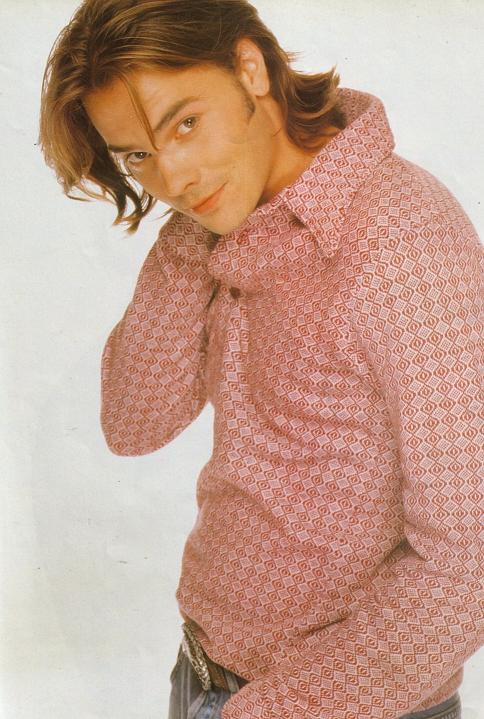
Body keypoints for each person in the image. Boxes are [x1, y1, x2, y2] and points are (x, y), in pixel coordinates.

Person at [39, 1, 483, 718]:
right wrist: (194, 233)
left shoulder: (402, 242)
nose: (173, 175)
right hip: (201, 674)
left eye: (186, 123)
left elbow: (469, 563)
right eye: (137, 156)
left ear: (250, 68)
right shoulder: (219, 217)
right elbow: (134, 422)